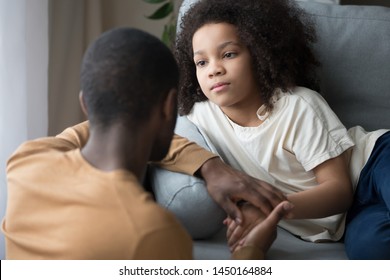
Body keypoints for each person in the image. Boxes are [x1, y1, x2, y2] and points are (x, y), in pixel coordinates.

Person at [1, 27, 292, 259]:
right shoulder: (151, 233)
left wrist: (210, 166)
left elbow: (99, 128)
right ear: (169, 107)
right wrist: (250, 252)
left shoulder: (26, 160)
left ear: (85, 105)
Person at [174, 0, 390, 259]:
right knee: (372, 251)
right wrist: (210, 168)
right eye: (201, 62)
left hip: (375, 164)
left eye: (229, 54)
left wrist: (268, 207)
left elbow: (339, 190)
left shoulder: (297, 106)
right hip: (351, 217)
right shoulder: (202, 116)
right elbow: (151, 135)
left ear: (259, 53)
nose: (214, 69)